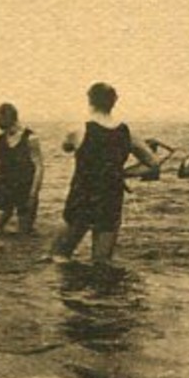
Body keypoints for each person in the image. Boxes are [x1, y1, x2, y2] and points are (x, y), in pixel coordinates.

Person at [51, 82, 161, 264]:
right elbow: (153, 164)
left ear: (89, 100)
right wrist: (121, 173)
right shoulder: (127, 133)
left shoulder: (78, 130)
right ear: (114, 101)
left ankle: (65, 291)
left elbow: (66, 148)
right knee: (102, 261)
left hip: (82, 195)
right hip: (111, 194)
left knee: (60, 255)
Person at [0, 102, 43, 235]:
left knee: (24, 233)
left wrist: (33, 193)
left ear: (14, 121)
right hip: (5, 187)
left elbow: (39, 167)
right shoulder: (1, 138)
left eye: (8, 128)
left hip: (25, 188)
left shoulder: (31, 138)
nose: (6, 132)